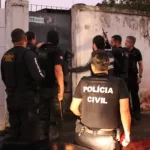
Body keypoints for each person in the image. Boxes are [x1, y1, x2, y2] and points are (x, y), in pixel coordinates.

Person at [70, 51, 131, 150]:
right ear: (108, 65)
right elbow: (125, 111)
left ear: (92, 66)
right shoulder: (119, 82)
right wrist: (127, 135)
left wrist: (83, 114)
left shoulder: (83, 81)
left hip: (84, 137)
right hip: (108, 140)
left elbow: (73, 108)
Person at [0, 28, 45, 142]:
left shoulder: (6, 55)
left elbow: (4, 76)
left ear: (12, 40)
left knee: (14, 130)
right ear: (25, 38)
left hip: (11, 97)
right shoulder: (28, 54)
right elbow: (38, 76)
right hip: (27, 99)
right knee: (29, 132)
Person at [37, 29, 65, 141]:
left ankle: (43, 136)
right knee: (55, 114)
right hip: (53, 87)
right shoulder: (57, 50)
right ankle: (54, 140)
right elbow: (58, 70)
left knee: (43, 112)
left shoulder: (40, 49)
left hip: (41, 86)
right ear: (56, 39)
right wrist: (62, 89)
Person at [125, 36, 143, 121]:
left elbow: (140, 65)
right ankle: (128, 113)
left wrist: (140, 76)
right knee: (125, 96)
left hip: (133, 77)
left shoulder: (137, 52)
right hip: (124, 77)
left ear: (132, 43)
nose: (125, 42)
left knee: (134, 95)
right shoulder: (123, 51)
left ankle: (137, 113)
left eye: (127, 41)